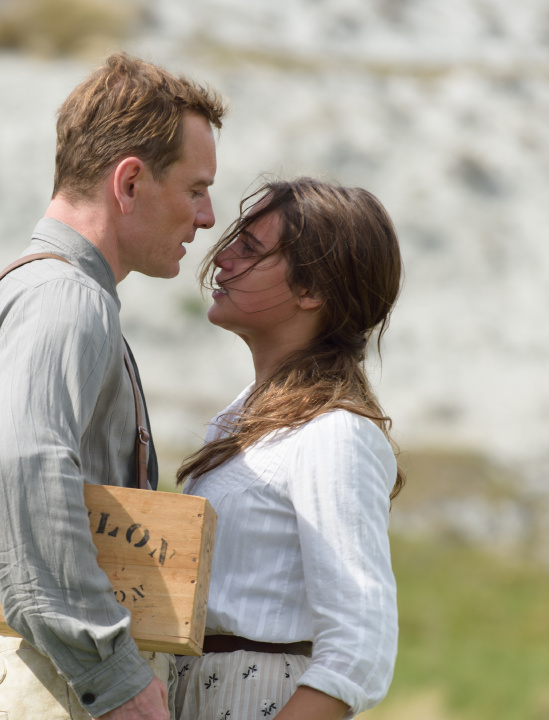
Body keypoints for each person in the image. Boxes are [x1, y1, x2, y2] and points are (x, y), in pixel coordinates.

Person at [0, 53, 226, 720]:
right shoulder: (67, 300)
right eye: (195, 189)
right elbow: (17, 471)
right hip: (57, 687)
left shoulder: (23, 292)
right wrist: (112, 674)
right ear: (129, 183)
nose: (207, 218)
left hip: (38, 671)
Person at [172, 178, 404, 720]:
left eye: (250, 249)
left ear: (311, 290)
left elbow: (360, 649)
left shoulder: (332, 434)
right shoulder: (240, 419)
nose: (222, 257)